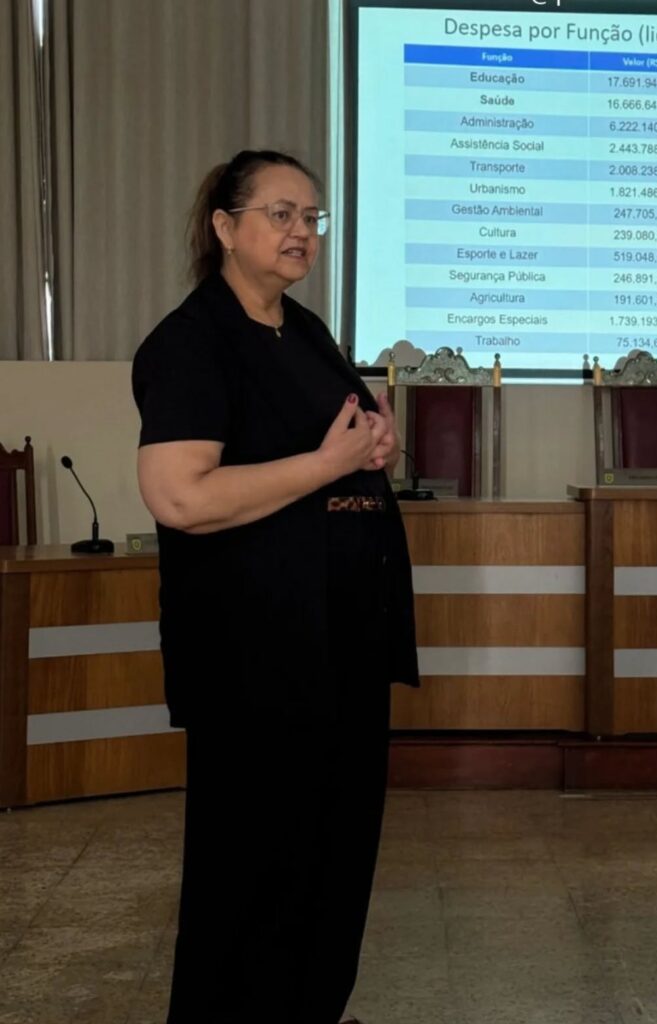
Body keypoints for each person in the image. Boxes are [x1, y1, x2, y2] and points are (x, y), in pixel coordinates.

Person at [132, 149, 419, 1023]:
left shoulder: (305, 330)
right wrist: (328, 464)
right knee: (253, 872)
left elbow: (335, 443)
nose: (302, 233)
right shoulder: (190, 342)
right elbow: (180, 497)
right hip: (256, 653)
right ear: (225, 227)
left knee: (333, 860)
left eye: (312, 218)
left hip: (341, 641)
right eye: (281, 214)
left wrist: (373, 448)